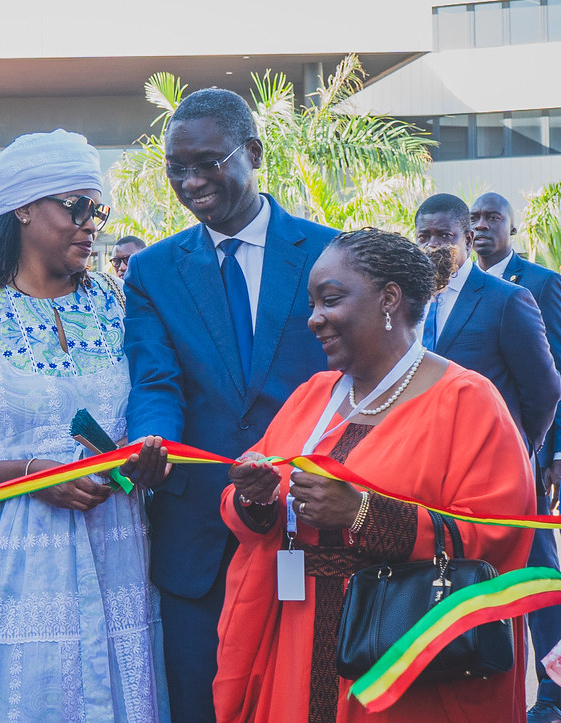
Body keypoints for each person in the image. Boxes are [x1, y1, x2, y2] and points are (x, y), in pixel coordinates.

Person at [0, 129, 170, 721]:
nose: (91, 223)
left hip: (115, 560)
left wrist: (136, 467)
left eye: (98, 209)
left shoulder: (119, 307)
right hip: (6, 575)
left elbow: (140, 415)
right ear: (23, 209)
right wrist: (26, 474)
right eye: (76, 207)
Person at [215, 227, 535, 722]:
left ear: (389, 299)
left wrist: (361, 512)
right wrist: (256, 497)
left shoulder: (466, 401)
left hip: (401, 651)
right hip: (296, 638)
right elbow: (245, 499)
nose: (314, 319)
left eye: (331, 300)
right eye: (313, 303)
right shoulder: (312, 396)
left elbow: (499, 534)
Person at [123, 87, 338, 720]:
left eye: (206, 163)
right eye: (175, 169)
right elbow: (155, 381)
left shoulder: (331, 253)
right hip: (199, 538)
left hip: (314, 521)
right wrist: (150, 444)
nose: (189, 181)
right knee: (200, 703)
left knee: (306, 700)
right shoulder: (154, 271)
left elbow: (354, 380)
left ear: (253, 152)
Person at [471, 191, 561, 723]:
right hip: (469, 462)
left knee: (538, 568)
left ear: (513, 227)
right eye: (475, 218)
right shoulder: (446, 290)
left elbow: (553, 381)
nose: (482, 226)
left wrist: (549, 452)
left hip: (527, 458)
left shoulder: (542, 285)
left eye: (492, 218)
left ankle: (553, 689)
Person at [417, 193, 558, 456]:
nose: (432, 246)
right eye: (423, 237)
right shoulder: (409, 299)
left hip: (489, 456)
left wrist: (520, 445)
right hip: (424, 453)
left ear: (467, 239)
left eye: (445, 236)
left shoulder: (508, 299)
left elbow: (544, 388)